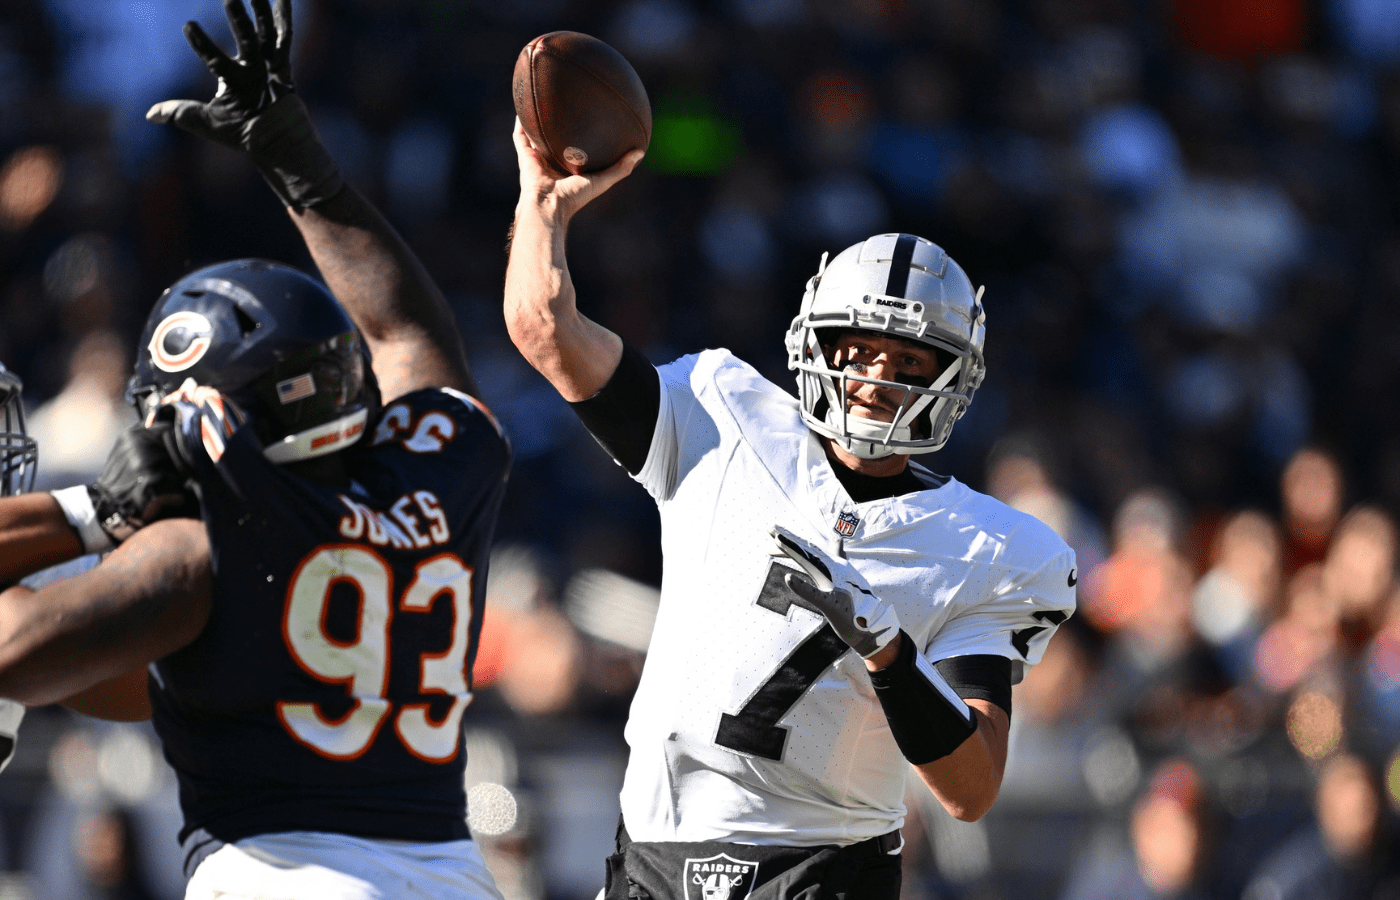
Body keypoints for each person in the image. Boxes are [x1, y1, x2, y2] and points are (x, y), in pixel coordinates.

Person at [0, 1, 510, 898]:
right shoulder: (436, 474)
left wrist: (94, 513)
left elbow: (14, 651)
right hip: (453, 878)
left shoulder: (200, 547)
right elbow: (408, 332)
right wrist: (300, 163)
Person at [504, 124, 1079, 898]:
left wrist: (888, 653)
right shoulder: (721, 413)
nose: (881, 377)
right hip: (650, 858)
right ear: (819, 344)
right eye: (864, 350)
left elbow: (970, 789)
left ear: (954, 379)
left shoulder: (989, 547)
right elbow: (546, 329)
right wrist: (541, 207)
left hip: (820, 872)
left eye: (911, 362)